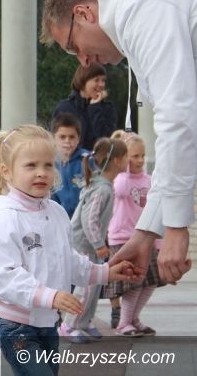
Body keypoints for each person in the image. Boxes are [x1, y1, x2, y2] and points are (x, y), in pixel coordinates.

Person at [40, 0, 197, 284]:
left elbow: (178, 119)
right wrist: (145, 234)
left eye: (73, 47)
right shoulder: (143, 5)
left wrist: (175, 227)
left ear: (84, 14)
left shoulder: (140, 6)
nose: (83, 60)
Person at [0, 125, 139, 376]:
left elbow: (68, 259)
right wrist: (50, 296)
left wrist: (105, 272)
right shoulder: (3, 218)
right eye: (31, 165)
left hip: (48, 322)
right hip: (14, 325)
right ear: (6, 171)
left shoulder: (56, 212)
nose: (41, 172)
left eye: (48, 165)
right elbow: (5, 275)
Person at [59, 137, 128, 344]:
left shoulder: (103, 184)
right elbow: (89, 219)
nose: (129, 161)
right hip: (84, 245)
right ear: (116, 160)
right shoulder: (102, 188)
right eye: (127, 157)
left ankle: (84, 321)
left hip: (90, 245)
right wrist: (99, 244)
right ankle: (68, 325)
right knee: (86, 286)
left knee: (94, 286)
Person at [102, 131, 164, 337]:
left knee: (150, 282)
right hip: (123, 239)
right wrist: (121, 151)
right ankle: (124, 323)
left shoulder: (149, 180)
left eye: (142, 155)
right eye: (134, 156)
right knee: (134, 283)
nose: (140, 160)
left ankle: (133, 319)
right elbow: (120, 187)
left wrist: (159, 243)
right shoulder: (121, 180)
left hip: (146, 240)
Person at [52, 64, 117, 151]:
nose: (101, 84)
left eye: (103, 80)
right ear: (83, 81)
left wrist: (94, 108)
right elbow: (56, 139)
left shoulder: (107, 108)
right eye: (96, 80)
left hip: (99, 158)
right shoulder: (64, 108)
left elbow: (107, 139)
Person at [50, 113, 88, 217]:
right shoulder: (50, 163)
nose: (67, 141)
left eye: (72, 137)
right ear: (54, 138)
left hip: (84, 218)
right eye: (62, 137)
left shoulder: (87, 160)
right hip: (60, 218)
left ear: (78, 138)